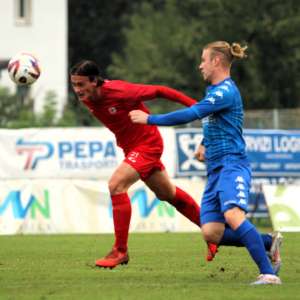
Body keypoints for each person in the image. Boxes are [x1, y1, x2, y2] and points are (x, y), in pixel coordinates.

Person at [129, 41, 282, 285]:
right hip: (216, 169)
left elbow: (191, 114)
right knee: (211, 231)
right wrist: (204, 143)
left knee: (233, 215)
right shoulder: (214, 92)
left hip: (232, 164)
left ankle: (269, 274)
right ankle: (267, 242)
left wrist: (150, 118)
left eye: (203, 60)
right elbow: (215, 120)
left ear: (216, 62)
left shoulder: (225, 91)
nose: (200, 65)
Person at [70, 60, 218, 269]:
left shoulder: (120, 91)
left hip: (147, 145)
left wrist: (197, 107)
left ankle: (120, 251)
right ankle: (214, 234)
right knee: (168, 194)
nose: (77, 90)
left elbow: (160, 90)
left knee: (116, 185)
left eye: (81, 84)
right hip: (132, 148)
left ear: (95, 81)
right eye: (74, 85)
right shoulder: (88, 96)